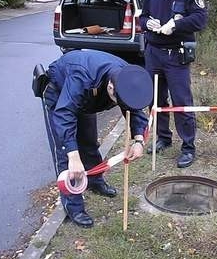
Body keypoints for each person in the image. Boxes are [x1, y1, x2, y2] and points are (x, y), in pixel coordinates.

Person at [39, 50, 152, 228]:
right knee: (66, 155)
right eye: (117, 102)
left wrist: (138, 140)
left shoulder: (126, 76)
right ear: (111, 88)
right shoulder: (81, 76)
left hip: (86, 100)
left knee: (90, 142)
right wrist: (73, 156)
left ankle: (95, 181)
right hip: (60, 95)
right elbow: (65, 113)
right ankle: (74, 207)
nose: (118, 107)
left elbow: (134, 110)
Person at [140, 0, 208, 168]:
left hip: (176, 55)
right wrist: (146, 23)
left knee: (182, 101)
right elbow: (142, 16)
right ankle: (163, 138)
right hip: (153, 54)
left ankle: (188, 147)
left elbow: (200, 20)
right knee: (155, 100)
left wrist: (176, 25)